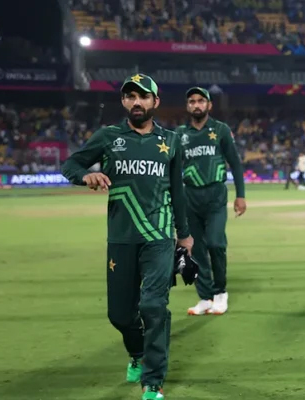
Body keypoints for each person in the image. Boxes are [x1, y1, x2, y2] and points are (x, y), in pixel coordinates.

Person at [61, 73, 193, 400]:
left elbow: (177, 190)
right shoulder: (108, 137)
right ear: (123, 102)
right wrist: (86, 175)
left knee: (154, 306)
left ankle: (152, 382)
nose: (137, 102)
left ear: (155, 102)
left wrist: (185, 235)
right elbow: (71, 164)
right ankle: (136, 352)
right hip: (120, 238)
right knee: (119, 314)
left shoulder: (171, 140)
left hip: (159, 236)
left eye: (143, 96)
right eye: (130, 96)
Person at [176, 87, 246, 316]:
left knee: (216, 244)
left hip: (215, 194)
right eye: (192, 101)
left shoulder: (220, 130)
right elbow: (173, 170)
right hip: (189, 197)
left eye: (201, 101)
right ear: (187, 106)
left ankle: (220, 292)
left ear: (209, 105)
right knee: (194, 249)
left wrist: (240, 195)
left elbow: (235, 163)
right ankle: (204, 297)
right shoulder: (179, 134)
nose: (196, 105)